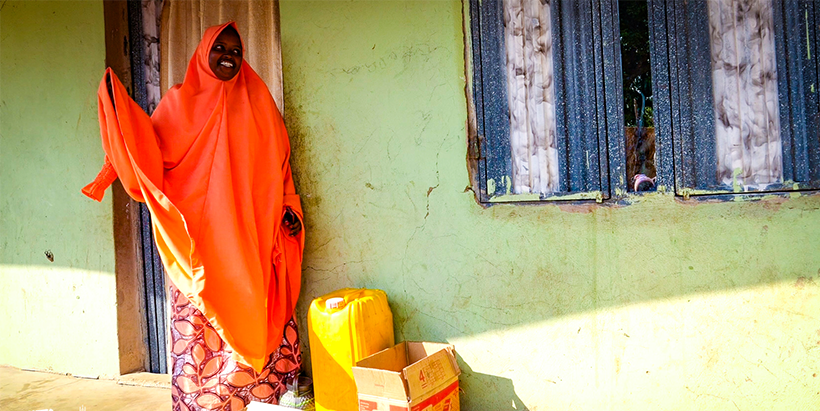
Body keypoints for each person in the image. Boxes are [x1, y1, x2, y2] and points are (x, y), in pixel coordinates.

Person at [83, 22, 304, 410]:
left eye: (236, 51)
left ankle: (266, 402)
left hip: (253, 238)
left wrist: (289, 208)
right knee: (206, 330)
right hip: (199, 244)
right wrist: (121, 128)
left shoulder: (260, 103)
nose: (229, 57)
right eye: (221, 48)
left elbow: (280, 166)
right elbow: (149, 158)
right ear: (203, 52)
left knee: (259, 316)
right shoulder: (177, 104)